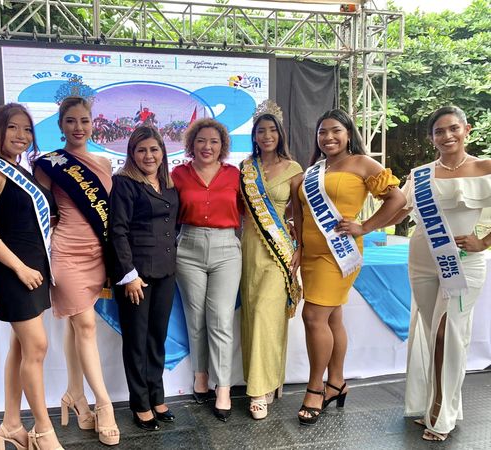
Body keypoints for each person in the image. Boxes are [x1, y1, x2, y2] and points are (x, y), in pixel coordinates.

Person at [291, 108, 405, 425]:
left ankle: (315, 389)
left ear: (348, 134)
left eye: (335, 131)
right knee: (332, 318)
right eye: (322, 132)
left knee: (313, 317)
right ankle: (337, 383)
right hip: (311, 256)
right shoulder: (314, 170)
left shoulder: (363, 163)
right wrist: (298, 244)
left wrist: (364, 227)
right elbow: (300, 211)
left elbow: (397, 201)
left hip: (338, 254)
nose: (328, 137)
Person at [395, 106, 491, 442]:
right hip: (422, 260)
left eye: (453, 128)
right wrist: (362, 226)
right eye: (439, 131)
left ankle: (440, 414)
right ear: (431, 138)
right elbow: (397, 209)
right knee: (430, 331)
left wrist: (484, 242)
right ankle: (438, 403)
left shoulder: (485, 167)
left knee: (446, 334)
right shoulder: (421, 175)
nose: (447, 136)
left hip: (464, 263)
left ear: (467, 129)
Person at [0, 103, 63, 450]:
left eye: (27, 129)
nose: (21, 135)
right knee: (36, 346)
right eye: (12, 127)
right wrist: (20, 267)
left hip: (33, 269)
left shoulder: (19, 169)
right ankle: (43, 429)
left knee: (21, 346)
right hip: (13, 271)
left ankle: (11, 423)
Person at [34, 96, 120, 446]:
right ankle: (104, 403)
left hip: (98, 253)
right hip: (67, 252)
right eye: (70, 121)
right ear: (60, 125)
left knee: (76, 324)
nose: (78, 127)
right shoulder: (48, 164)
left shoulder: (104, 162)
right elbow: (41, 211)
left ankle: (75, 395)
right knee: (85, 324)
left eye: (84, 120)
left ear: (93, 123)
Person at [171, 118, 242, 422]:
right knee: (195, 316)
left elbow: (249, 210)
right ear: (192, 144)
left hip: (227, 248)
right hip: (188, 247)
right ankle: (200, 375)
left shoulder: (235, 174)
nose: (207, 146)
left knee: (221, 318)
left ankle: (222, 387)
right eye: (201, 140)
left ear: (222, 145)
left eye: (214, 141)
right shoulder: (178, 174)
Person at [108, 126, 179, 431]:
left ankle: (157, 396)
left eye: (154, 149)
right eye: (141, 150)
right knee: (137, 340)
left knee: (156, 338)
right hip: (136, 276)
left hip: (166, 272)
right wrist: (129, 275)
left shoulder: (169, 185)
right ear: (132, 154)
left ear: (163, 152)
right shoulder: (124, 183)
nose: (148, 156)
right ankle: (140, 403)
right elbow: (118, 231)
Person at [240, 108, 303, 420]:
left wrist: (299, 246)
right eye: (261, 131)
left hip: (279, 253)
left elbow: (299, 211)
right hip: (248, 249)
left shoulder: (293, 169)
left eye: (272, 130)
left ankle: (259, 390)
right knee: (252, 316)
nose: (267, 136)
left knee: (268, 315)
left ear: (280, 134)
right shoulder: (246, 168)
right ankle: (267, 379)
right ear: (254, 136)